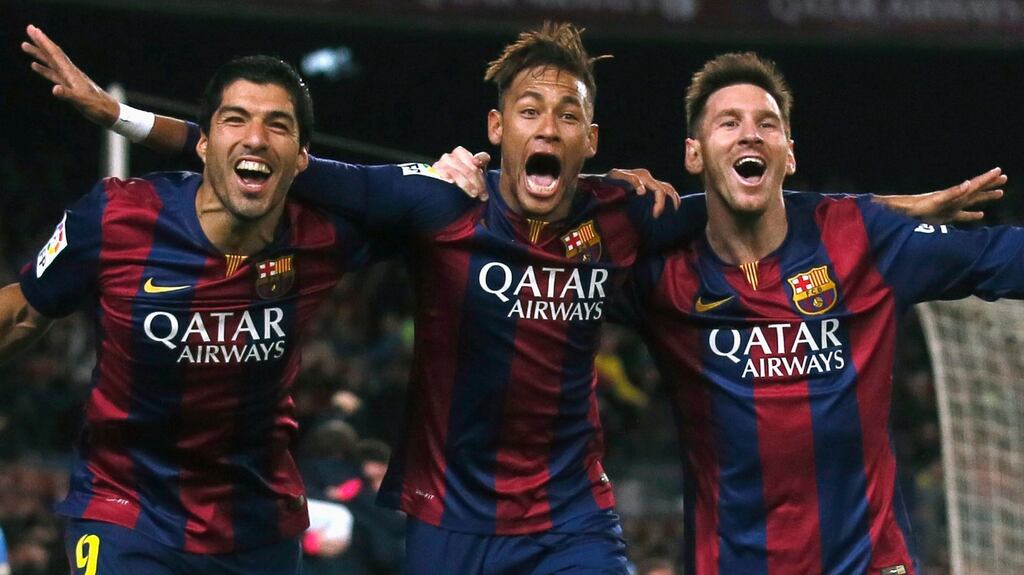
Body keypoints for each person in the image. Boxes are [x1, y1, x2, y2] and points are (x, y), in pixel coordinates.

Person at [22, 23, 1003, 575]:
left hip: (573, 518)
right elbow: (272, 158)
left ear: (589, 141)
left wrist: (902, 207)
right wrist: (121, 117)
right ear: (497, 130)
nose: (549, 125)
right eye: (529, 109)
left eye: (569, 114)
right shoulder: (437, 203)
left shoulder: (625, 213)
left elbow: (762, 207)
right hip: (446, 520)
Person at [617, 52, 1017, 575]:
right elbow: (546, 254)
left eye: (767, 124)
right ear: (694, 154)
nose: (750, 135)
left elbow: (996, 256)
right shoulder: (664, 278)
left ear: (789, 155)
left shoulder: (860, 239)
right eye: (728, 123)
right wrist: (609, 192)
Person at [0, 53, 393, 574]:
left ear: (303, 159)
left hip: (257, 528)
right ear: (202, 143)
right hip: (127, 511)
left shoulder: (323, 235)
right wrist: (126, 118)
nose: (256, 138)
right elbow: (23, 312)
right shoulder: (117, 217)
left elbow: (429, 206)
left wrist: (462, 174)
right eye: (235, 119)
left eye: (278, 125)